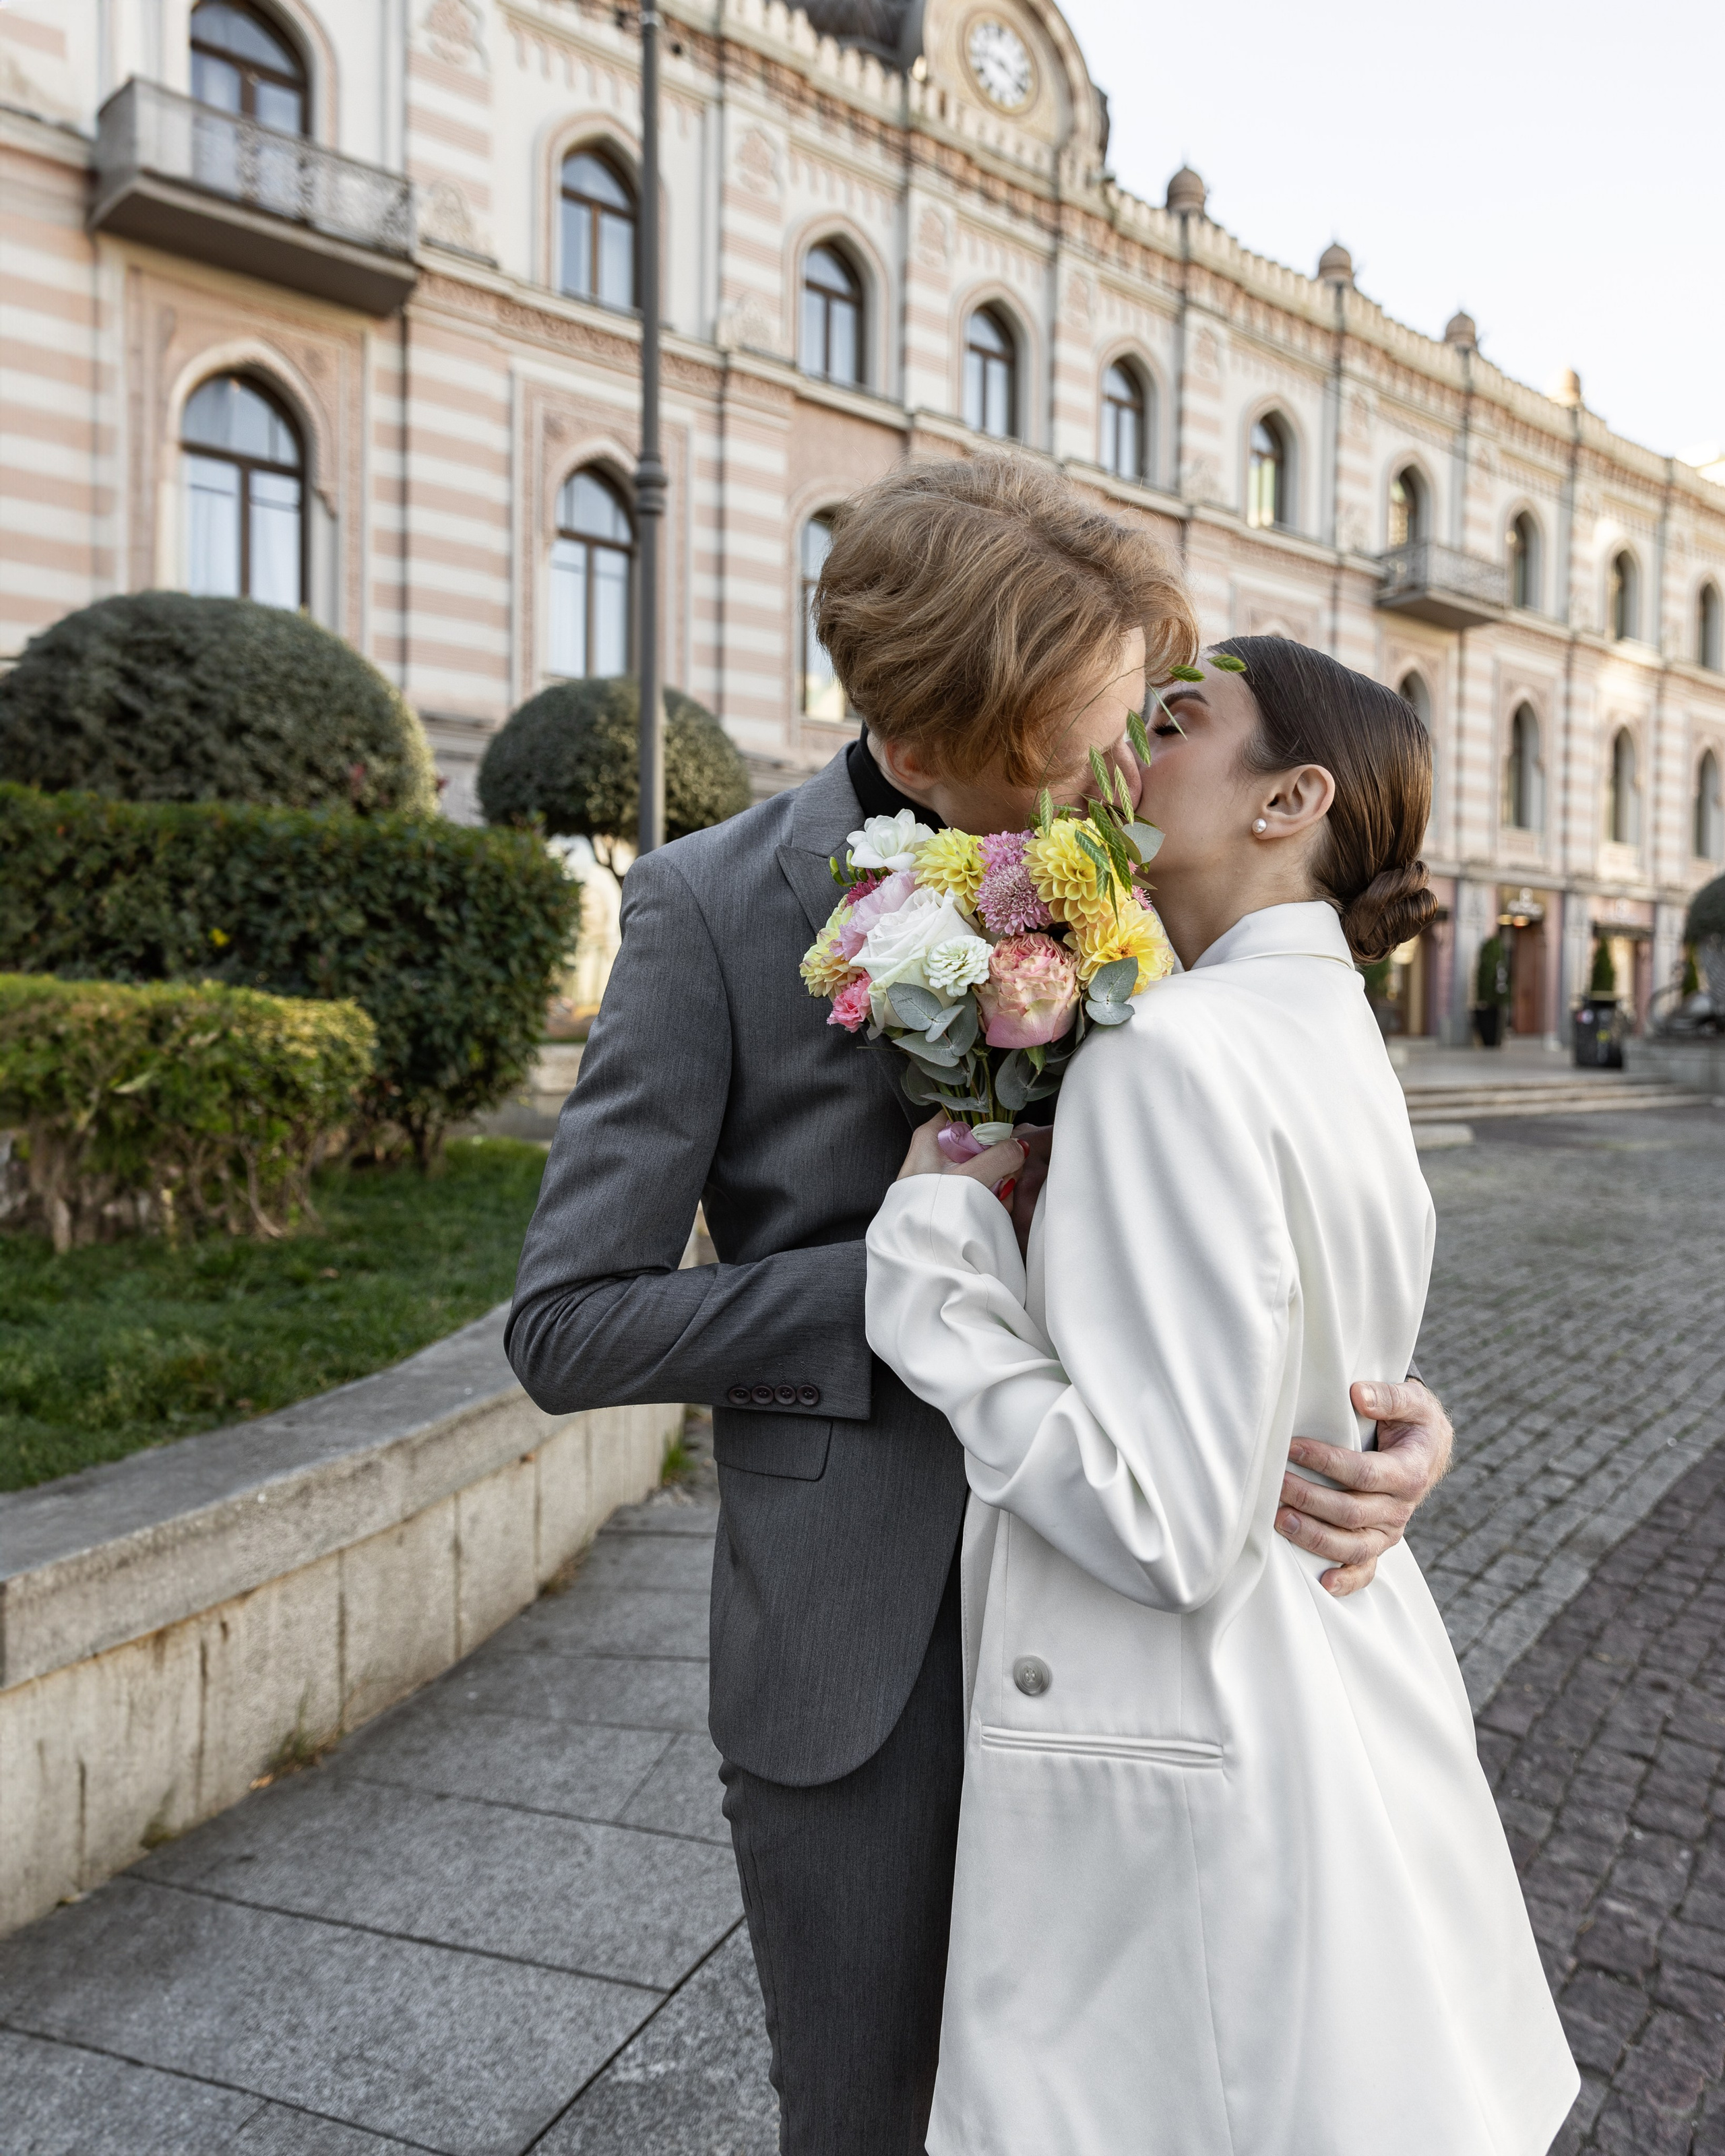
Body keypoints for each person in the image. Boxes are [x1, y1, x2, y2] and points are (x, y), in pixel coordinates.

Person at [505, 463, 1457, 2154]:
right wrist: (904, 1271)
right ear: (943, 728)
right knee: (868, 2121)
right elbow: (567, 1325)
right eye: (1087, 730)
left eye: (1142, 719)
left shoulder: (1149, 885)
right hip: (865, 1664)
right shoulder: (707, 907)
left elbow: (1257, 1205)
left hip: (1142, 1650)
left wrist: (1381, 1410)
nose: (1119, 768)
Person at [865, 635, 1578, 2154]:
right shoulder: (1331, 1032)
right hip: (1332, 1676)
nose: (1132, 745)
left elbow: (1161, 1523)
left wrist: (932, 1258)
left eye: (1179, 720)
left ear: (1289, 799)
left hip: (1193, 1721)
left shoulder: (1172, 1047)